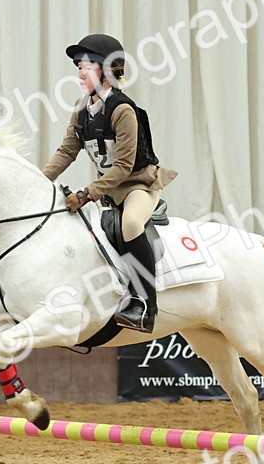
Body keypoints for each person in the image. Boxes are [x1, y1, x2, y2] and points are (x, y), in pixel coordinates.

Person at [42, 33, 177, 334]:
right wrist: (37, 182)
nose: (79, 72)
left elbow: (123, 167)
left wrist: (86, 193)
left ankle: (145, 305)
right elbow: (67, 151)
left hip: (137, 186)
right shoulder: (81, 108)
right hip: (107, 191)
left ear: (106, 70)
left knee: (130, 224)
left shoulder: (122, 110)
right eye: (78, 66)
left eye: (86, 66)